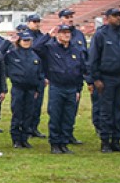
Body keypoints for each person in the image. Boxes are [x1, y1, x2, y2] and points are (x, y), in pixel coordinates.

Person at [87, 8, 120, 153]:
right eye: (115, 16)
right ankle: (105, 141)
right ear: (107, 18)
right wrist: (95, 78)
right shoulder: (101, 35)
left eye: (119, 15)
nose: (118, 18)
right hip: (106, 78)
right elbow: (93, 58)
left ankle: (116, 140)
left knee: (119, 110)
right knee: (106, 111)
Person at [37, 25, 88, 154]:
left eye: (68, 33)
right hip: (57, 87)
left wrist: (78, 89)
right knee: (55, 116)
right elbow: (35, 48)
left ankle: (64, 143)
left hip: (71, 88)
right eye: (63, 33)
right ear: (58, 35)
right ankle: (55, 143)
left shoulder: (76, 50)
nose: (67, 35)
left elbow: (80, 70)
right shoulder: (51, 49)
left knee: (68, 117)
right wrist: (48, 36)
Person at [6, 31, 44, 149]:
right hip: (18, 88)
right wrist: (8, 42)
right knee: (17, 113)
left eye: (28, 40)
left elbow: (39, 73)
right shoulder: (12, 54)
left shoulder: (34, 55)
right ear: (19, 41)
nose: (26, 43)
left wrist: (38, 88)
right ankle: (16, 139)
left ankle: (25, 138)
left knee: (28, 114)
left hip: (31, 89)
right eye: (24, 40)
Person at [25, 14, 48, 139]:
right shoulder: (26, 36)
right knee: (28, 103)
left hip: (40, 72)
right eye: (34, 21)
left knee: (38, 103)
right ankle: (26, 128)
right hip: (29, 73)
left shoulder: (41, 35)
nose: (37, 24)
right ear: (29, 22)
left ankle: (34, 127)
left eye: (38, 21)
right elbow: (34, 47)